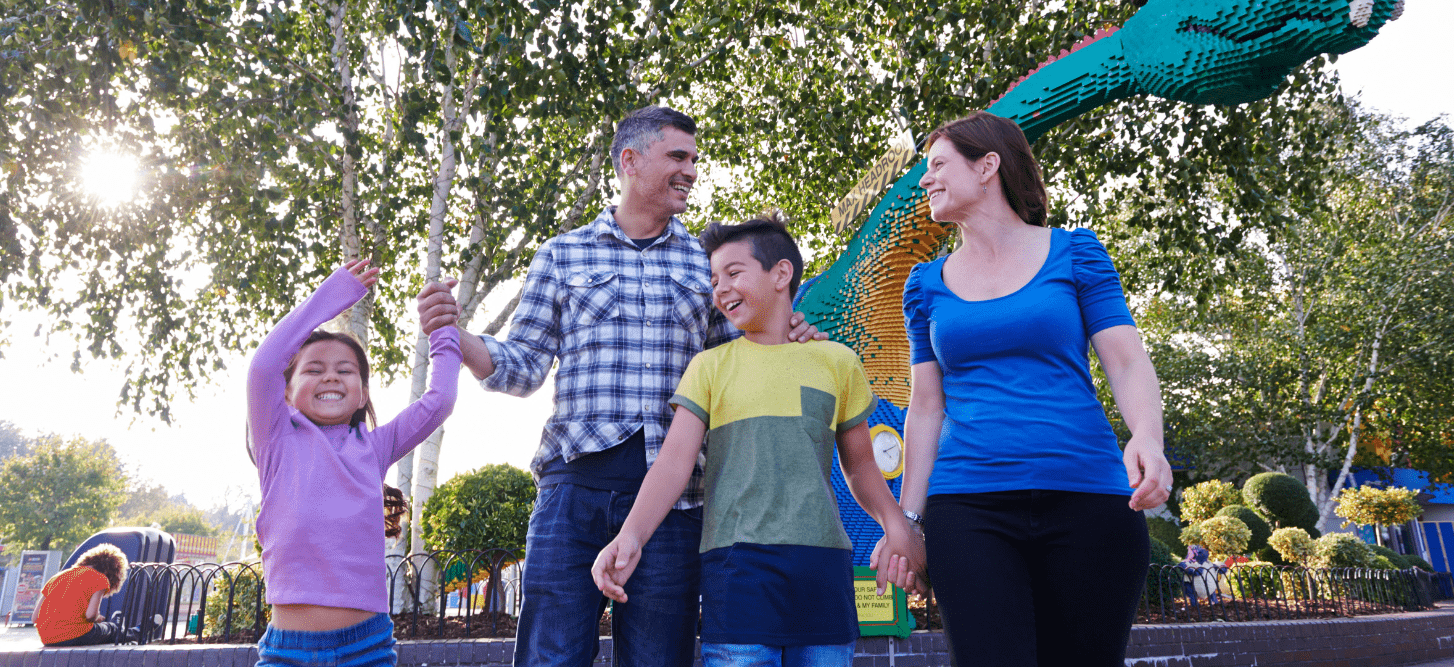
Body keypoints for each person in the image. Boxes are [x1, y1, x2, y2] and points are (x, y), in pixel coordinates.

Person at [417, 106, 821, 667]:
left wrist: (793, 326)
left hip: (674, 503)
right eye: (677, 157)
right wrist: (457, 338)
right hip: (570, 495)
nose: (691, 172)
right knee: (549, 659)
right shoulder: (562, 254)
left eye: (694, 160)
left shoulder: (708, 267)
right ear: (630, 161)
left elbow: (744, 352)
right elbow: (524, 364)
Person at [890, 111, 1172, 667]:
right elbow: (925, 408)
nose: (925, 180)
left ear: (987, 165)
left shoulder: (1076, 252)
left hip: (1089, 501)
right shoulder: (923, 285)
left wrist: (1148, 437)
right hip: (968, 509)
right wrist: (907, 521)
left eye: (938, 165)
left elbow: (1126, 360)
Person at [590, 216, 926, 667]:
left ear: (781, 274)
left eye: (733, 273)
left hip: (823, 572)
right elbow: (673, 464)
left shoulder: (838, 361)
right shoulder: (708, 368)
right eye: (713, 280)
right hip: (737, 571)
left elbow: (861, 466)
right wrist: (630, 536)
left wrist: (896, 524)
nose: (721, 289)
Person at [248, 259, 461, 667]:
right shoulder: (275, 440)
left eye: (345, 370)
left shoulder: (375, 447)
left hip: (366, 649)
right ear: (287, 394)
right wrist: (332, 297)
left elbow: (440, 400)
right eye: (314, 369)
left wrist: (443, 331)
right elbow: (262, 366)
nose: (330, 377)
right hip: (286, 653)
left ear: (362, 395)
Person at [35, 544, 129, 646]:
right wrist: (97, 618)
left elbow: (35, 617)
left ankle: (118, 624)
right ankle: (135, 631)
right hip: (76, 635)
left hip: (47, 639)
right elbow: (90, 615)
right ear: (111, 573)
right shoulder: (100, 578)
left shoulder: (57, 577)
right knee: (111, 629)